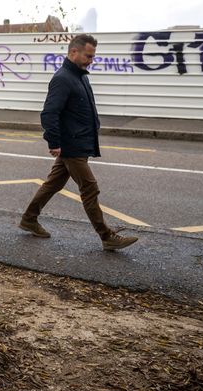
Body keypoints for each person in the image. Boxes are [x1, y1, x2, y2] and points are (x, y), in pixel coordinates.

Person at [19, 34, 138, 251]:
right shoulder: (63, 78)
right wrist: (53, 142)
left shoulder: (81, 76)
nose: (91, 60)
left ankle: (29, 218)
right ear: (74, 52)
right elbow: (49, 113)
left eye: (93, 56)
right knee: (90, 188)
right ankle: (106, 236)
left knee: (53, 184)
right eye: (88, 56)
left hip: (79, 142)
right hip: (71, 145)